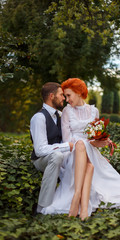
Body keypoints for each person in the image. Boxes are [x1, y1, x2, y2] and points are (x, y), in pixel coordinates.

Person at [41, 78, 120, 220]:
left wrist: (101, 141)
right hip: (72, 152)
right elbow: (67, 140)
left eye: (69, 95)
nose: (66, 100)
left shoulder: (94, 111)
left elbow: (94, 139)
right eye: (65, 96)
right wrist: (88, 143)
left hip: (90, 151)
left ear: (79, 92)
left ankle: (79, 198)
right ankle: (81, 203)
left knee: (90, 164)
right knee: (81, 146)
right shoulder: (67, 112)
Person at [30, 82, 73, 214]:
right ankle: (42, 207)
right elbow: (40, 150)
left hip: (57, 157)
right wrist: (66, 146)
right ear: (51, 96)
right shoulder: (39, 118)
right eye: (61, 95)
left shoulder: (60, 115)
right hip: (40, 160)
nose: (64, 98)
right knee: (57, 155)